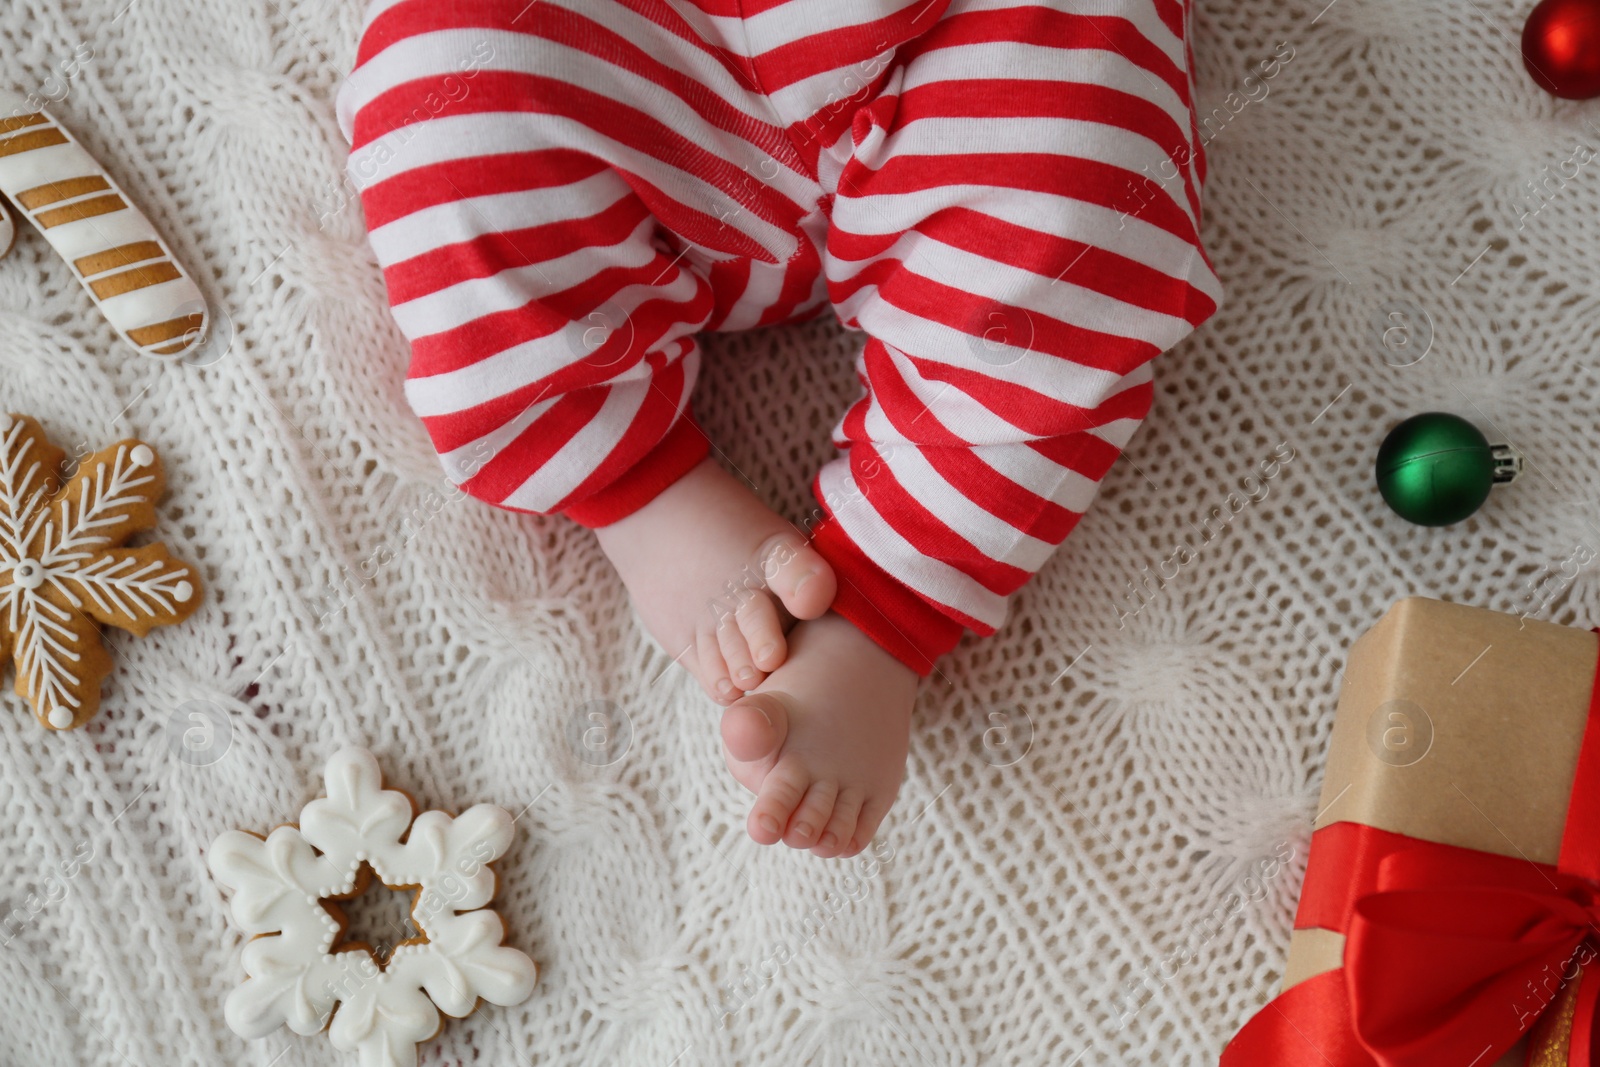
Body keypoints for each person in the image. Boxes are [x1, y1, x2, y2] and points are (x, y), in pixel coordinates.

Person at [336, 0, 1221, 858]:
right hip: (650, 50)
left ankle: (889, 592)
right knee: (442, 77)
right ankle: (637, 483)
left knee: (1086, 192)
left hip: (981, 48)